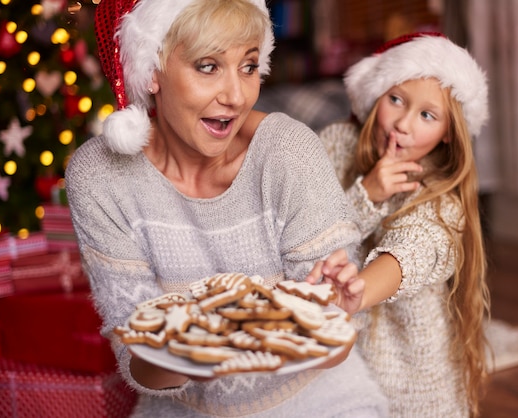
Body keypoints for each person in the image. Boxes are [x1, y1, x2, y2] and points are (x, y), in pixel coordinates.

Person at [64, 0, 389, 417]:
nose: (237, 96)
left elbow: (336, 344)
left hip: (318, 404)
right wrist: (193, 352)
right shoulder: (99, 177)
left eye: (249, 66)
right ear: (152, 73)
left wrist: (329, 318)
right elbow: (135, 358)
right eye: (208, 66)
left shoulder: (289, 153)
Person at [307, 32, 491, 417]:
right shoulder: (336, 143)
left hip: (413, 383)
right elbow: (307, 231)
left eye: (427, 115)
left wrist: (355, 293)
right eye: (396, 99)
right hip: (335, 371)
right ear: (376, 95)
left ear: (447, 134)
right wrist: (367, 194)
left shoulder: (441, 195)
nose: (403, 124)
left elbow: (412, 250)